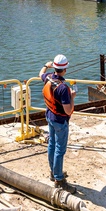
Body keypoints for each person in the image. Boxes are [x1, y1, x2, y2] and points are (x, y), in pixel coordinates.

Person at [40, 54, 77, 193]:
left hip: (49, 116)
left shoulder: (48, 77)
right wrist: (72, 97)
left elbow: (40, 74)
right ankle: (59, 179)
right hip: (60, 121)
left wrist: (45, 65)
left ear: (54, 67)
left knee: (52, 145)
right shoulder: (63, 88)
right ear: (65, 69)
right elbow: (68, 111)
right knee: (60, 150)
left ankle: (53, 172)